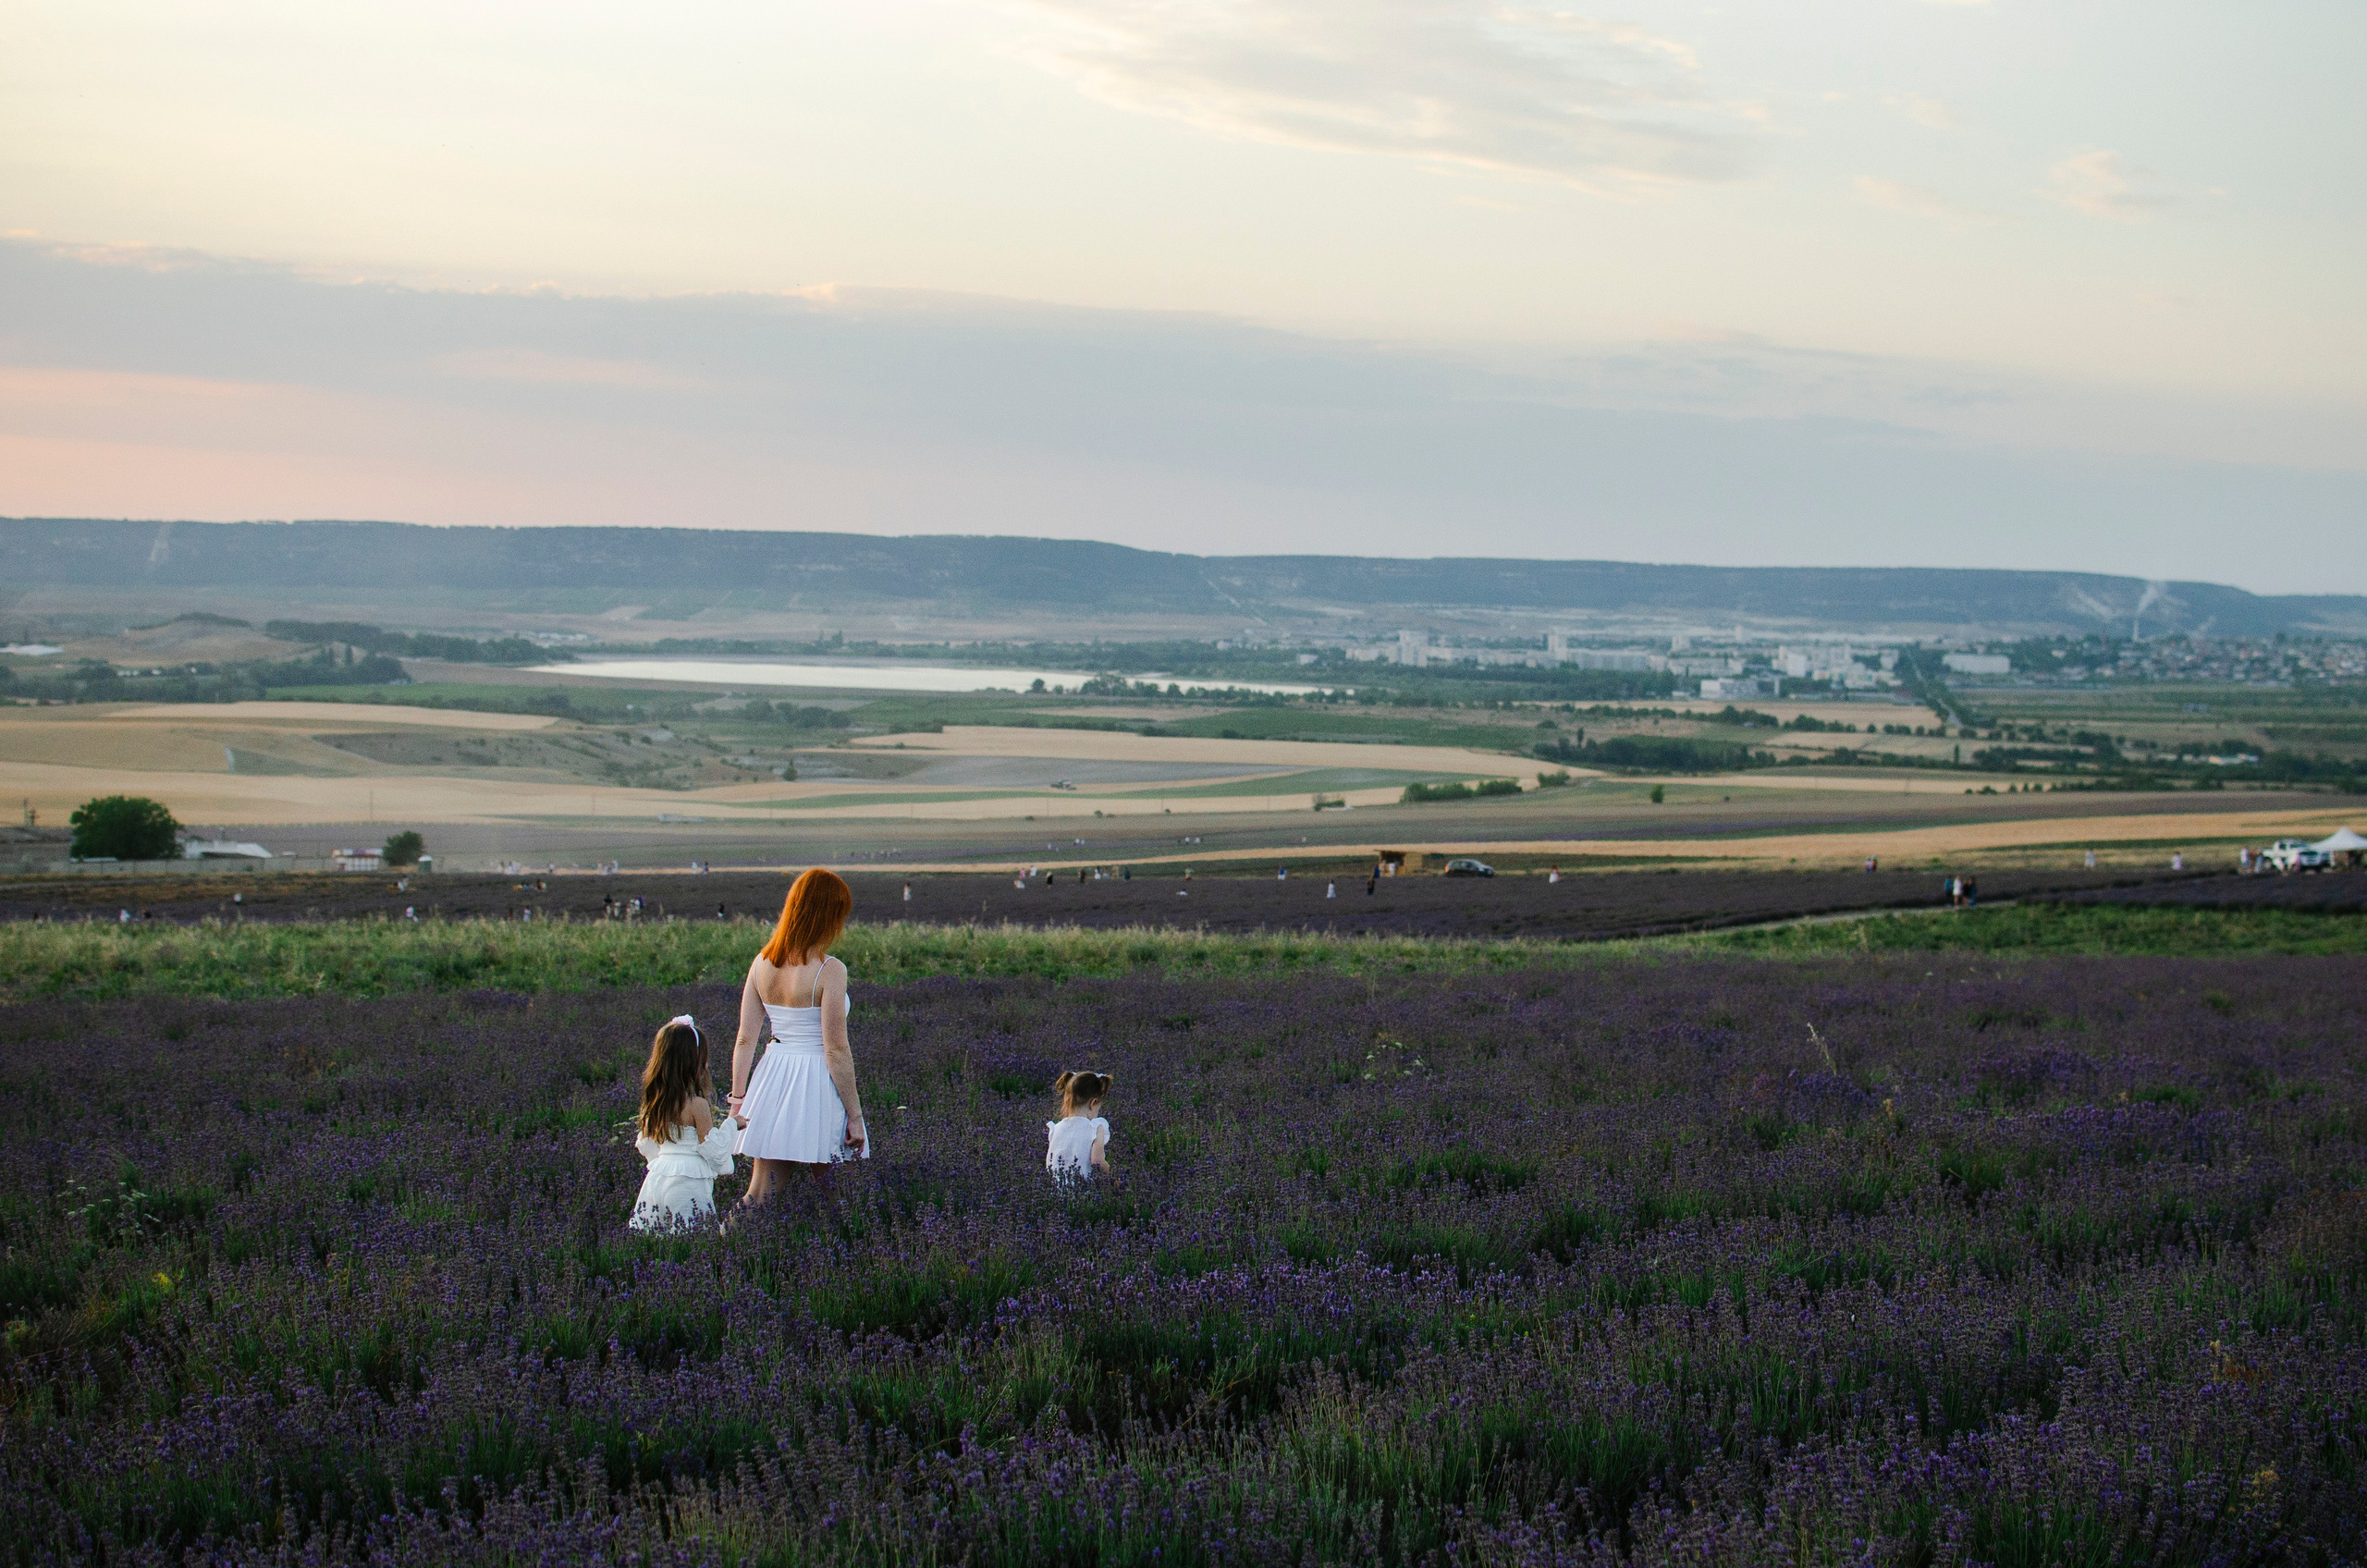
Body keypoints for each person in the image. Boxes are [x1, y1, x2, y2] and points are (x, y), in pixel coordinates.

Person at [730, 868, 868, 1205]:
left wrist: (737, 1101)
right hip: (817, 1082)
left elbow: (746, 1038)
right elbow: (835, 1049)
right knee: (837, 1197)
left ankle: (713, 1252)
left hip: (774, 1076)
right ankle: (850, 1253)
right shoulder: (829, 969)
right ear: (827, 916)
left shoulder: (762, 962)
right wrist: (855, 1116)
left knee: (759, 1195)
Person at [629, 1015, 740, 1232]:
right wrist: (732, 1125)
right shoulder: (697, 1105)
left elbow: (648, 1143)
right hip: (688, 1181)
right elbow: (712, 1149)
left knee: (654, 1236)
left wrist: (663, 1162)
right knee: (692, 1239)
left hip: (657, 1177)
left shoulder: (655, 1102)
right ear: (693, 1062)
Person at [1045, 1071, 1113, 1181]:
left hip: (1057, 1192)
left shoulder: (1056, 1128)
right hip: (1085, 1192)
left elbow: (1050, 1162)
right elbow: (1097, 1162)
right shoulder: (1095, 1127)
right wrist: (1115, 1179)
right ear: (1093, 1103)